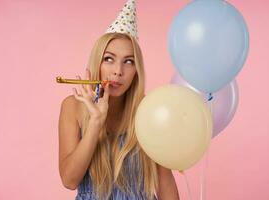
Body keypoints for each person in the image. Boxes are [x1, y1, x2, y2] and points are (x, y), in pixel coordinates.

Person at [58, 0, 179, 199]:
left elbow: (165, 181)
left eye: (128, 62)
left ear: (136, 71)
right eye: (109, 59)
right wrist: (96, 122)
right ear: (97, 62)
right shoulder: (73, 107)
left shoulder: (149, 111)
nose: (118, 71)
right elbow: (69, 180)